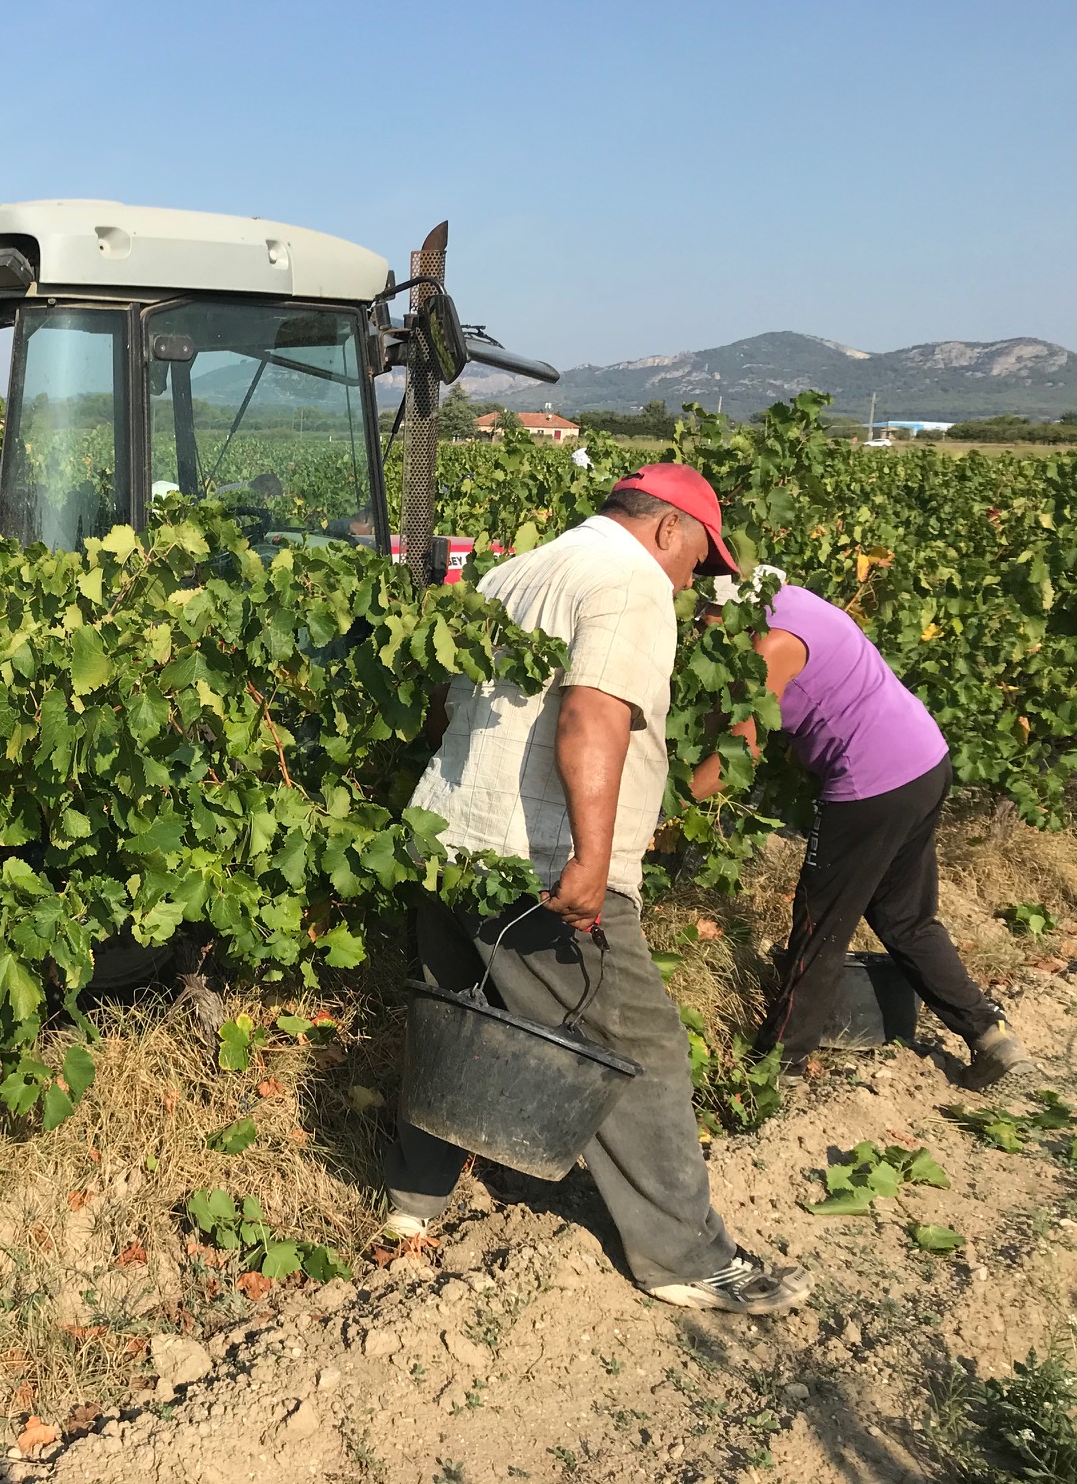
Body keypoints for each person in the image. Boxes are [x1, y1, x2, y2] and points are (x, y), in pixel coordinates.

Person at [384, 464, 813, 1316]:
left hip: (443, 839)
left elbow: (446, 702)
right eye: (700, 561)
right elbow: (592, 715)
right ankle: (685, 1256)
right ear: (666, 531)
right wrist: (587, 856)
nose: (696, 583)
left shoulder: (517, 570)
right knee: (639, 1049)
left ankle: (411, 1206)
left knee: (456, 1018)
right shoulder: (631, 584)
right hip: (541, 856)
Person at [690, 569, 1039, 1092]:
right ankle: (990, 1035)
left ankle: (776, 1069)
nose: (699, 625)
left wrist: (664, 800)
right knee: (905, 917)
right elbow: (732, 707)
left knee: (820, 924)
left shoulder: (770, 647)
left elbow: (742, 752)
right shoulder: (794, 602)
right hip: (923, 760)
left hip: (870, 783)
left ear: (736, 612)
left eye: (706, 615)